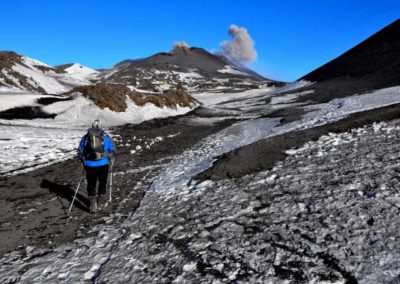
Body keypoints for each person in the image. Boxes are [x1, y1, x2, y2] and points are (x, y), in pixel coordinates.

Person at [78, 119, 116, 213]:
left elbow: (80, 150)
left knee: (91, 184)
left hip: (89, 164)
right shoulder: (105, 137)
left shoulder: (86, 137)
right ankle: (99, 204)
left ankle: (92, 206)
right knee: (102, 182)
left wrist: (84, 160)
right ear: (101, 127)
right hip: (103, 163)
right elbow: (113, 149)